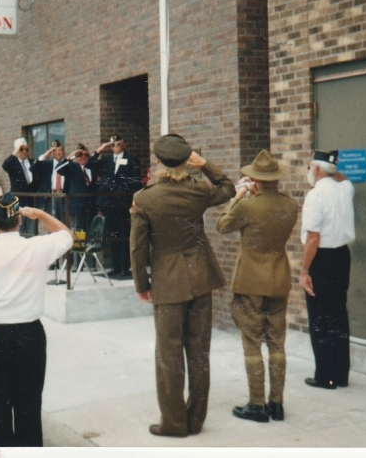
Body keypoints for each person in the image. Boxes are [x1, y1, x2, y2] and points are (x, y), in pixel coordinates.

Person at [130, 134, 234, 437]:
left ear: (159, 162)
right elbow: (228, 188)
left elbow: (137, 248)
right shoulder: (199, 190)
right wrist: (206, 165)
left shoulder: (145, 198)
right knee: (199, 351)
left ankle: (174, 423)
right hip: (200, 277)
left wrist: (141, 283)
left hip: (167, 281)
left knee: (169, 353)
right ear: (187, 161)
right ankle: (195, 419)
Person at [0, 193, 73, 447]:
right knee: (29, 406)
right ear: (19, 220)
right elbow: (66, 235)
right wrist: (40, 214)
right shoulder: (37, 247)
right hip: (29, 335)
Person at [216, 150, 299, 422]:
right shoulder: (290, 204)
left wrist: (238, 197)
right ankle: (277, 403)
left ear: (255, 179)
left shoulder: (248, 204)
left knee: (252, 342)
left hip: (250, 280)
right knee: (277, 342)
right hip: (278, 278)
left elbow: (222, 225)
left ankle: (257, 403)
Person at [300, 150, 355, 390]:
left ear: (315, 169)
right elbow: (341, 178)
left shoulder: (315, 194)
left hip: (321, 259)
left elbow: (313, 238)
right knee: (338, 315)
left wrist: (304, 270)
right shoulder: (345, 189)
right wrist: (332, 165)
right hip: (342, 256)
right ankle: (340, 375)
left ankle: (325, 376)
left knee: (320, 319)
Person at [91, 134, 142, 279]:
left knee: (124, 234)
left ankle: (125, 267)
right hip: (109, 203)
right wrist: (101, 149)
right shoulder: (106, 160)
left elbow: (136, 182)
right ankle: (116, 266)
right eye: (113, 145)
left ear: (124, 145)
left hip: (123, 203)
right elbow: (90, 164)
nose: (115, 147)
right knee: (113, 235)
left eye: (118, 144)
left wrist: (134, 202)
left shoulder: (132, 160)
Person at [57, 143, 99, 232]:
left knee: (88, 232)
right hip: (75, 208)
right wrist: (72, 154)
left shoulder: (92, 168)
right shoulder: (72, 167)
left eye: (86, 155)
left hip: (90, 208)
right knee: (76, 232)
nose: (83, 157)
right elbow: (58, 168)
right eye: (80, 155)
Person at [2, 138, 38, 236]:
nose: (25, 152)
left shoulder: (32, 162)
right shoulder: (12, 163)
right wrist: (15, 151)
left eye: (26, 149)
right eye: (22, 149)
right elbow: (4, 165)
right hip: (18, 201)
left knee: (32, 230)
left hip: (31, 201)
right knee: (19, 229)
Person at [31, 140, 68, 222]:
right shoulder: (46, 165)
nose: (58, 152)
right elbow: (32, 169)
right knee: (52, 223)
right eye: (55, 150)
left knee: (65, 223)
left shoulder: (68, 164)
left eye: (60, 150)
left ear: (63, 151)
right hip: (51, 197)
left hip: (65, 197)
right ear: (51, 153)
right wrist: (45, 155)